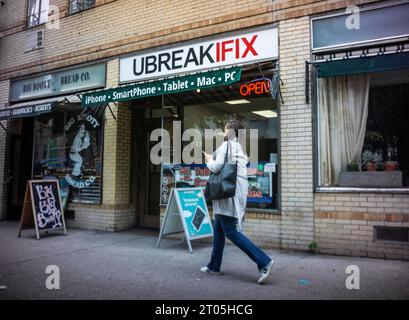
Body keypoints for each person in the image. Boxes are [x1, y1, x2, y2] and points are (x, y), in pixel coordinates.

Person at [201, 119, 274, 284]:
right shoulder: (238, 147)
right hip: (234, 194)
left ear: (230, 131)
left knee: (231, 232)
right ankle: (214, 266)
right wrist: (212, 157)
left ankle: (264, 261)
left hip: (228, 196)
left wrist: (208, 160)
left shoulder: (229, 146)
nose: (223, 131)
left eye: (225, 129)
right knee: (219, 231)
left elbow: (216, 167)